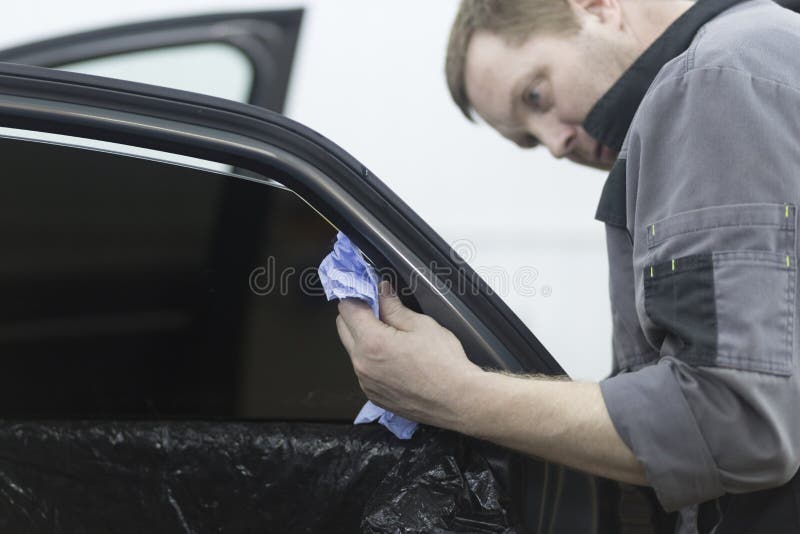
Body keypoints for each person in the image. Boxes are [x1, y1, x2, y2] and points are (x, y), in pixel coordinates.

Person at [335, 0, 800, 531]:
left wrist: (452, 393)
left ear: (596, 8)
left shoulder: (712, 79)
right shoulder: (743, 63)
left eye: (536, 95)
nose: (555, 144)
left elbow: (735, 426)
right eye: (529, 138)